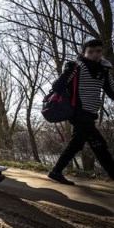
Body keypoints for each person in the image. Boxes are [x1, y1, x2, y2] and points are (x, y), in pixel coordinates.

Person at [49, 39, 114, 185]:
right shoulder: (77, 66)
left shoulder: (104, 70)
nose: (95, 54)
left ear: (101, 52)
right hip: (78, 112)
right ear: (84, 53)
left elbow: (112, 92)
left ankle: (56, 171)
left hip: (91, 113)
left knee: (76, 143)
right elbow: (57, 87)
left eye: (98, 51)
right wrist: (67, 71)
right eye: (90, 52)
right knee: (99, 144)